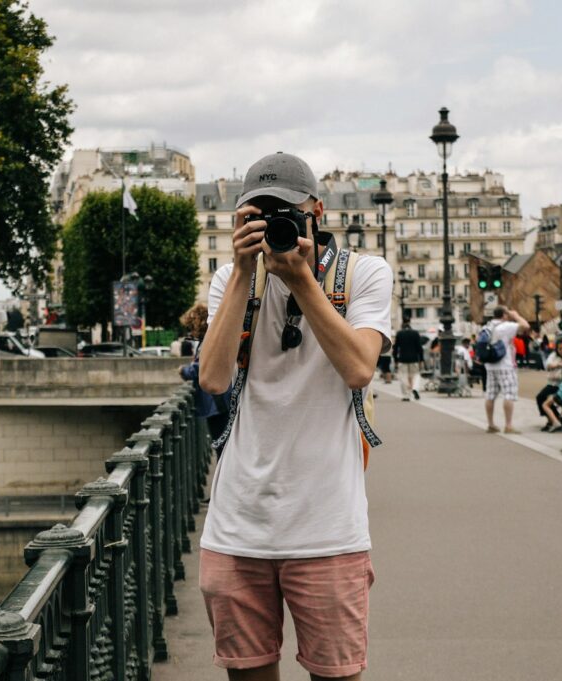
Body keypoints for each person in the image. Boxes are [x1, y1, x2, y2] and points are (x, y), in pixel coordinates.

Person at [198, 152, 392, 681]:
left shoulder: (363, 274)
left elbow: (358, 368)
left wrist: (302, 281)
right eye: (258, 213)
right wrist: (241, 272)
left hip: (327, 529)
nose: (272, 223)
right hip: (238, 530)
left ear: (317, 211)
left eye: (284, 211)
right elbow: (212, 379)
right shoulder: (231, 280)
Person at [178, 303, 231, 460]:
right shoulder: (213, 337)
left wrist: (183, 370)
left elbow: (199, 369)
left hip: (216, 403)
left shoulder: (208, 341)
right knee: (224, 445)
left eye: (190, 328)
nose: (189, 332)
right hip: (220, 400)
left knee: (221, 445)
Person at [482, 306, 531, 434]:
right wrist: (515, 315)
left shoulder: (487, 326)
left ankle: (491, 424)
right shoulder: (506, 326)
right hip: (505, 364)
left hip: (490, 365)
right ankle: (508, 425)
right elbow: (525, 326)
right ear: (504, 314)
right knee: (509, 394)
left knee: (490, 395)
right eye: (507, 313)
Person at [535, 339, 562, 428]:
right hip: (553, 384)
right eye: (560, 349)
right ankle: (555, 418)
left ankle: (554, 419)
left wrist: (556, 365)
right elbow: (547, 365)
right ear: (557, 350)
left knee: (544, 398)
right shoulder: (554, 355)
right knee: (540, 397)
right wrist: (558, 365)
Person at [393, 321, 423, 401]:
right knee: (416, 375)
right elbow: (419, 348)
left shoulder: (399, 334)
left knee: (403, 377)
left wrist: (395, 360)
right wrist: (421, 360)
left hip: (403, 359)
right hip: (414, 359)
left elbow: (396, 348)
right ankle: (415, 388)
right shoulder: (415, 333)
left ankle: (406, 395)